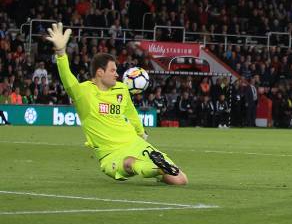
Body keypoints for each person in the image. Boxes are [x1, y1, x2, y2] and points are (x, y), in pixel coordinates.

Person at [45, 22, 187, 185]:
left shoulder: (122, 89)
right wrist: (61, 53)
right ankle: (155, 167)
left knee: (181, 179)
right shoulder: (83, 93)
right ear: (99, 72)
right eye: (113, 71)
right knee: (129, 163)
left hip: (134, 143)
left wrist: (141, 134)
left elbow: (131, 113)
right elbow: (68, 79)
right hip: (111, 154)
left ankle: (156, 168)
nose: (117, 75)